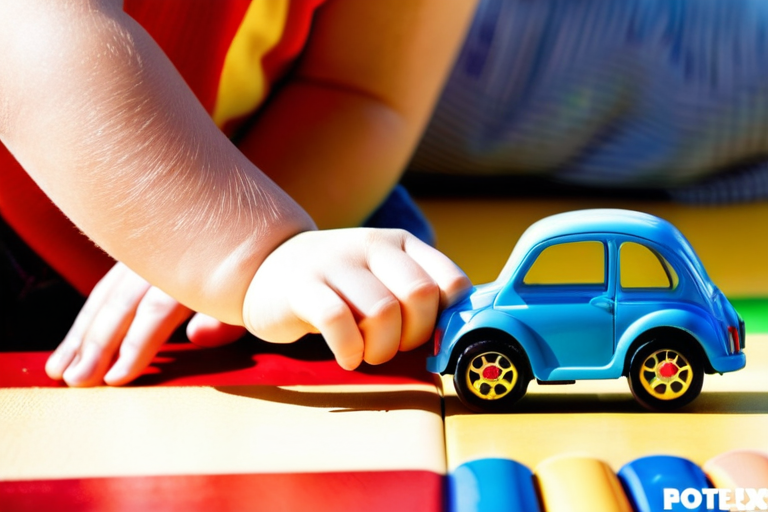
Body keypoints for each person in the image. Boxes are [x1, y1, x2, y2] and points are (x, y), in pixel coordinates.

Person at [0, 0, 476, 386]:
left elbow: (363, 94)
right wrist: (245, 254)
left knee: (388, 275)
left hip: (265, 162)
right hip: (24, 209)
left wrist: (278, 244)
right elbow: (24, 33)